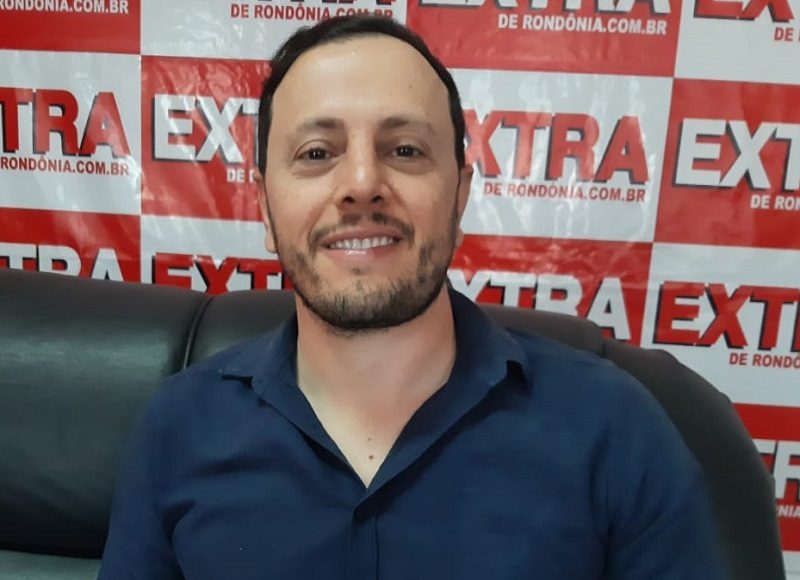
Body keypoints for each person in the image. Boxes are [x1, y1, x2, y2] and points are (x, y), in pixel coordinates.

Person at [98, 15, 727, 579]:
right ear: (264, 207)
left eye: (405, 150)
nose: (362, 183)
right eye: (317, 153)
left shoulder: (615, 428)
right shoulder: (178, 428)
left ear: (459, 197)